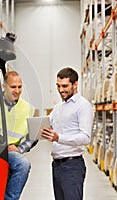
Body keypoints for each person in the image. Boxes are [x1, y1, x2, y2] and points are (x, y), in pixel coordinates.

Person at [40, 67, 93, 200]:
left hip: (72, 166)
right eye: (58, 86)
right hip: (57, 165)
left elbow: (86, 137)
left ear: (75, 84)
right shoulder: (59, 107)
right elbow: (46, 125)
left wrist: (59, 138)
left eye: (65, 86)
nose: (60, 90)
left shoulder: (83, 106)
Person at [0, 71, 37, 200]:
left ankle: (10, 198)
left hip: (10, 151)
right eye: (13, 87)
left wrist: (21, 148)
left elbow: (33, 135)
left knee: (23, 164)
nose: (17, 90)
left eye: (20, 87)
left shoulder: (28, 108)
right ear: (4, 86)